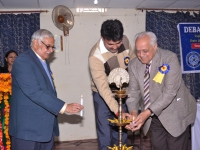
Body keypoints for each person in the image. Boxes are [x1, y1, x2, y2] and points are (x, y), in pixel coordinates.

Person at [9, 29, 84, 150]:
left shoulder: (43, 61)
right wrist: (64, 107)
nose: (51, 50)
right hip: (27, 131)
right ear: (35, 43)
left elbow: (48, 90)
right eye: (48, 46)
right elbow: (34, 92)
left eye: (52, 47)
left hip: (44, 129)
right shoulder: (23, 61)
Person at [125, 31, 197, 150]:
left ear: (155, 46)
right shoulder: (133, 65)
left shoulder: (169, 59)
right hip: (154, 117)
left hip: (176, 114)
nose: (141, 55)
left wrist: (146, 113)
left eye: (145, 51)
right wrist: (133, 112)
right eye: (138, 51)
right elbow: (133, 93)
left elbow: (169, 93)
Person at [88, 19, 135, 149]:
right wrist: (117, 112)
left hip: (122, 91)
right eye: (110, 44)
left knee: (121, 132)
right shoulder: (95, 56)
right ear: (102, 38)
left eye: (118, 43)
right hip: (102, 95)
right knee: (105, 133)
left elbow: (133, 62)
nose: (115, 47)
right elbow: (103, 89)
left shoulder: (125, 40)